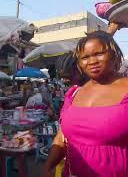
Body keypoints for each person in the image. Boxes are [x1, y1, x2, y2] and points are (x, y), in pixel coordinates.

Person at [44, 23, 128, 176]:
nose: (92, 61)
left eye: (99, 54)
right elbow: (63, 136)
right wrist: (48, 166)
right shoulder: (74, 94)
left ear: (115, 54)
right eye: (85, 57)